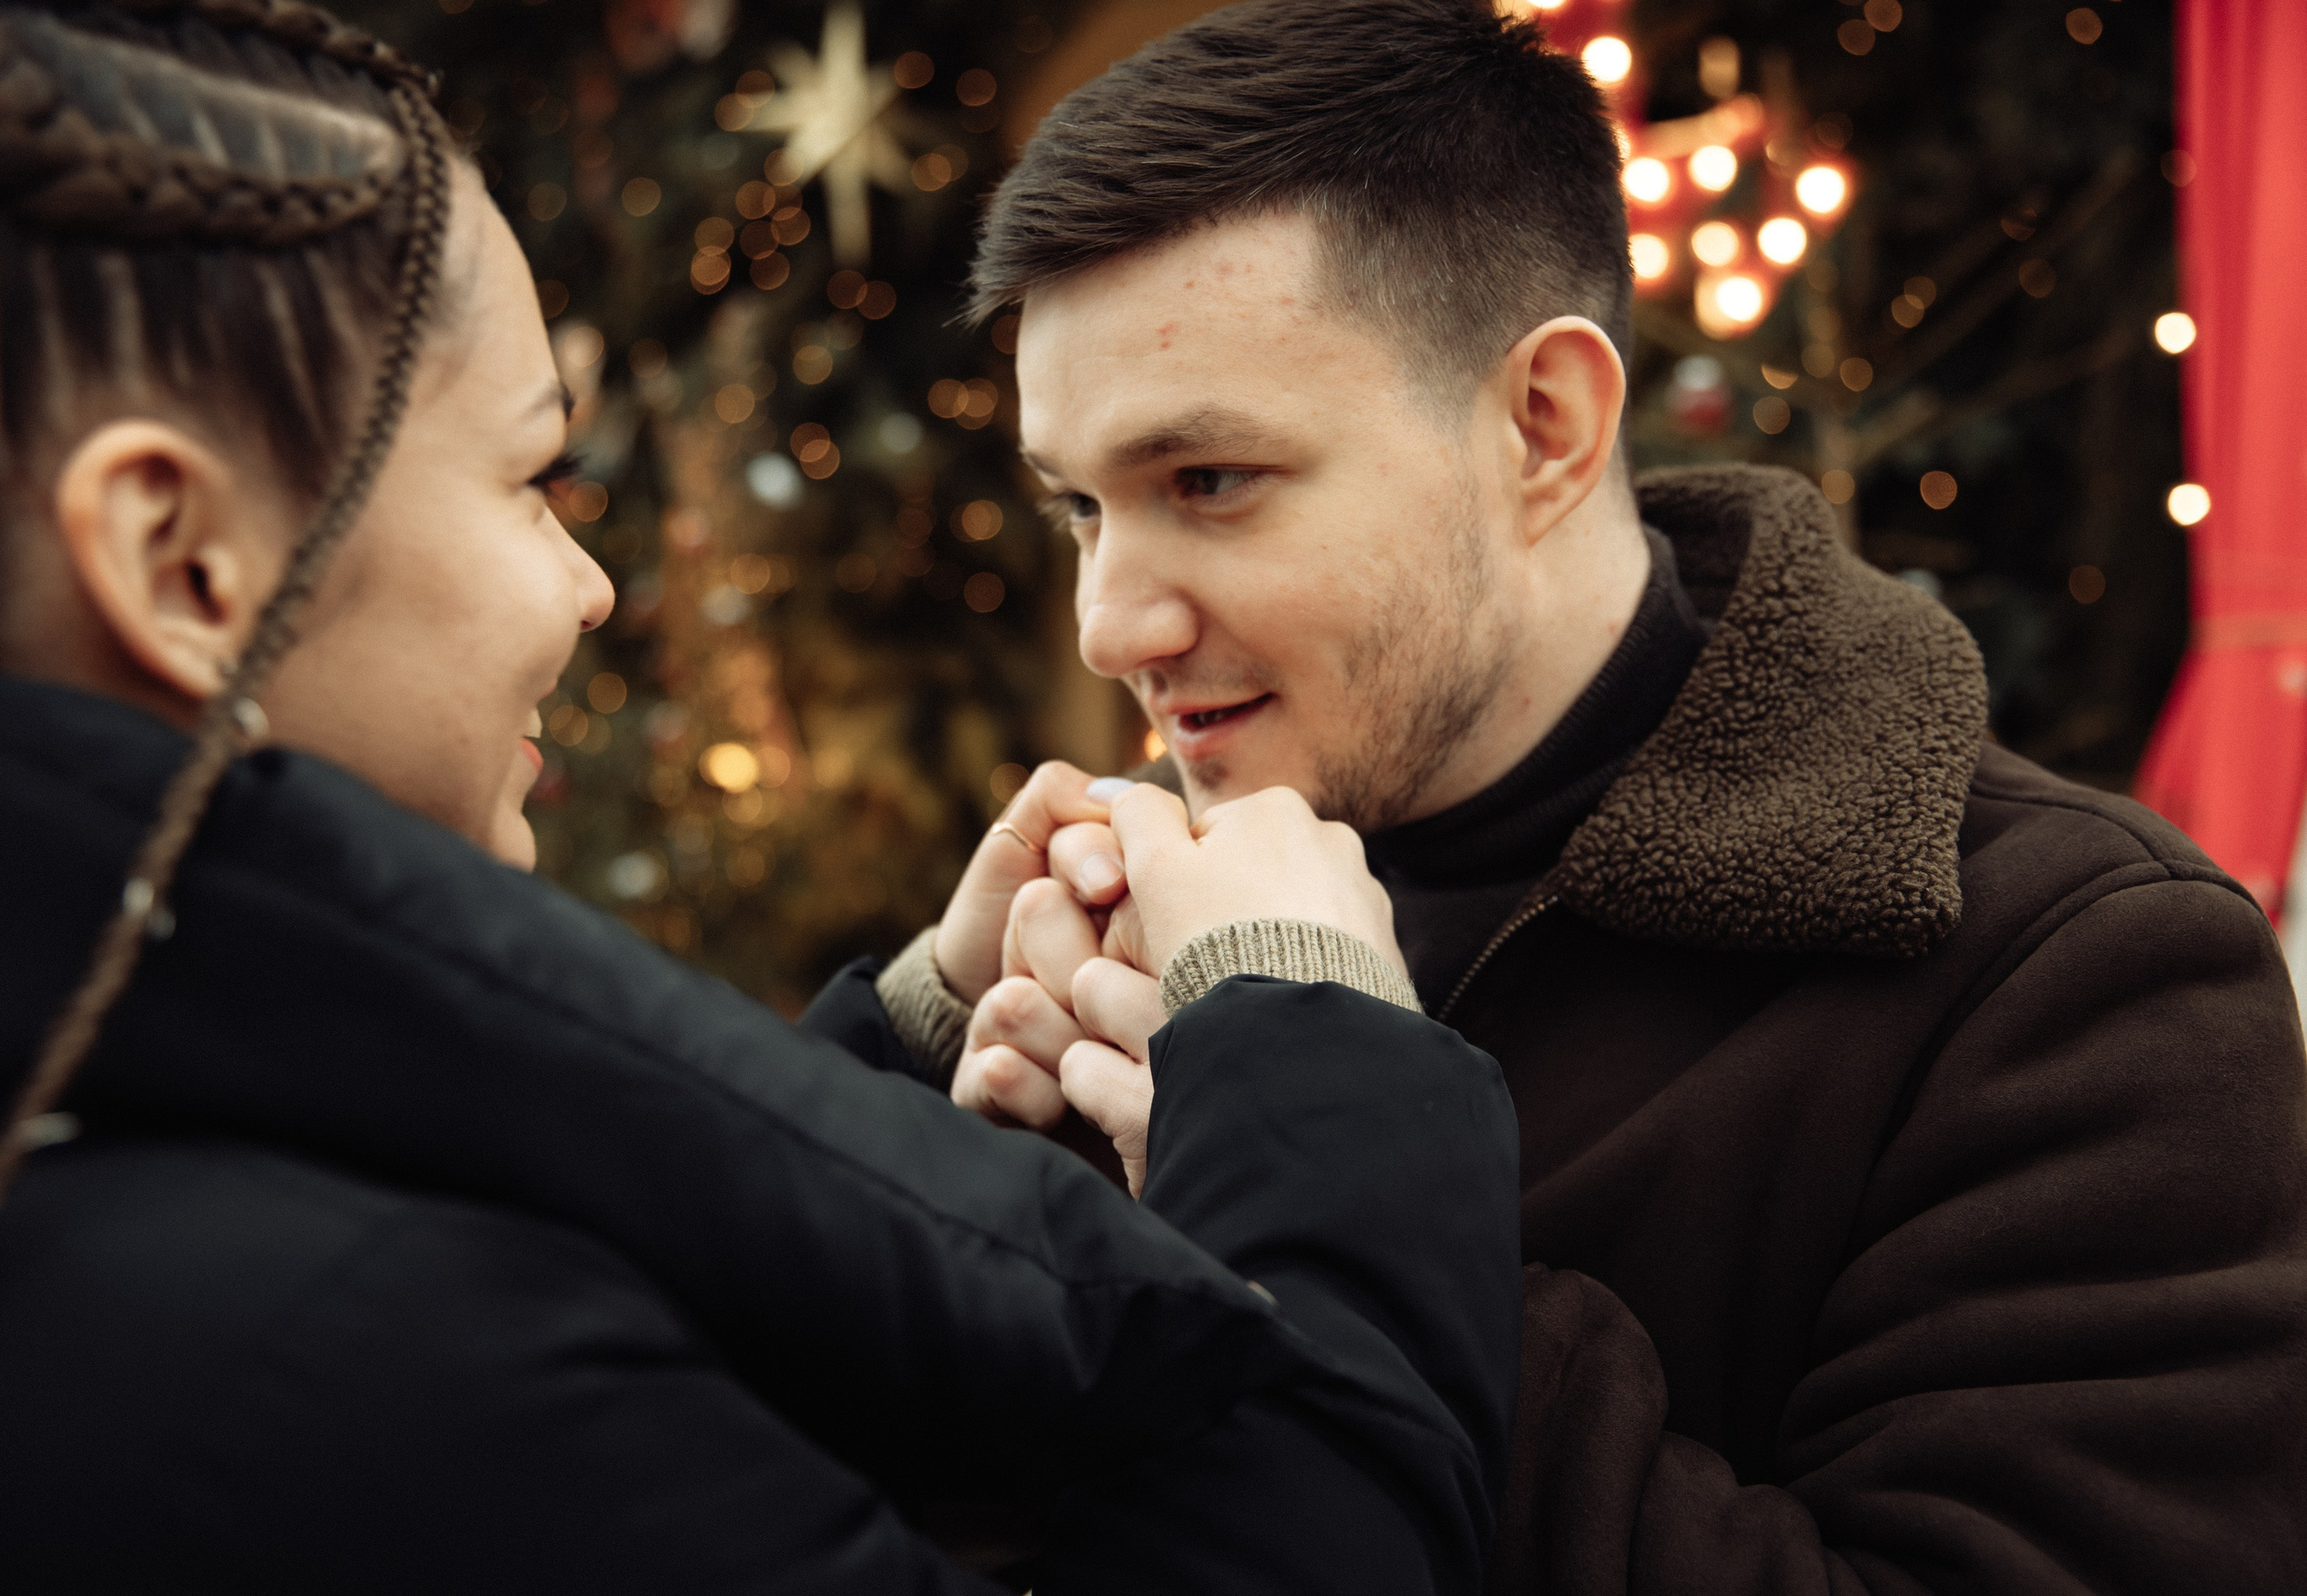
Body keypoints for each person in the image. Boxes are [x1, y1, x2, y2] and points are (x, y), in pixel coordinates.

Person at [0, 3, 1526, 1590]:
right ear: (180, 561)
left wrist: (920, 1027)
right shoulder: (358, 1368)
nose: (589, 587)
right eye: (533, 479)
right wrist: (1320, 1070)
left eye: (1214, 481)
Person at [882, 2, 2307, 1590]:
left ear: (1544, 426)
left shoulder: (2080, 975)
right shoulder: (1119, 948)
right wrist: (915, 1078)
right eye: (1081, 506)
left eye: (1208, 482)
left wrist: (1345, 1189)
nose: (1107, 624)